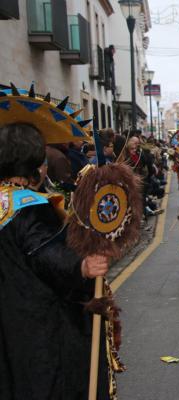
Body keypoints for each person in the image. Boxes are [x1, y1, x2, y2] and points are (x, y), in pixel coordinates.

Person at [1, 123, 111, 396]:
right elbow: (43, 250)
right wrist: (81, 266)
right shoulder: (29, 207)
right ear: (36, 165)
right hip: (40, 329)